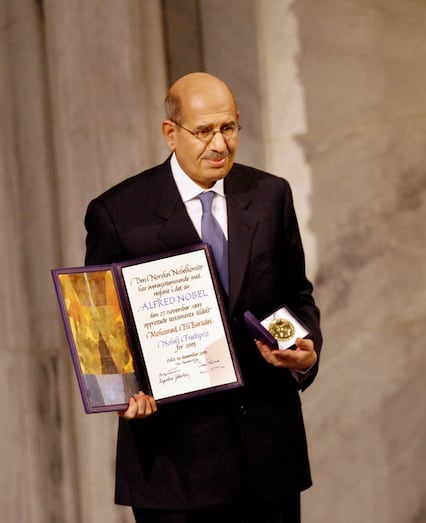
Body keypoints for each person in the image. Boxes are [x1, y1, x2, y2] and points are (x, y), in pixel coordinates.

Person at [84, 72, 322, 523]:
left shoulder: (271, 196)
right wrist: (122, 389)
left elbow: (294, 296)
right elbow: (100, 326)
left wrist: (302, 351)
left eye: (229, 128)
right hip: (175, 464)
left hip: (269, 456)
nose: (219, 145)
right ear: (170, 133)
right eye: (204, 131)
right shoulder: (118, 213)